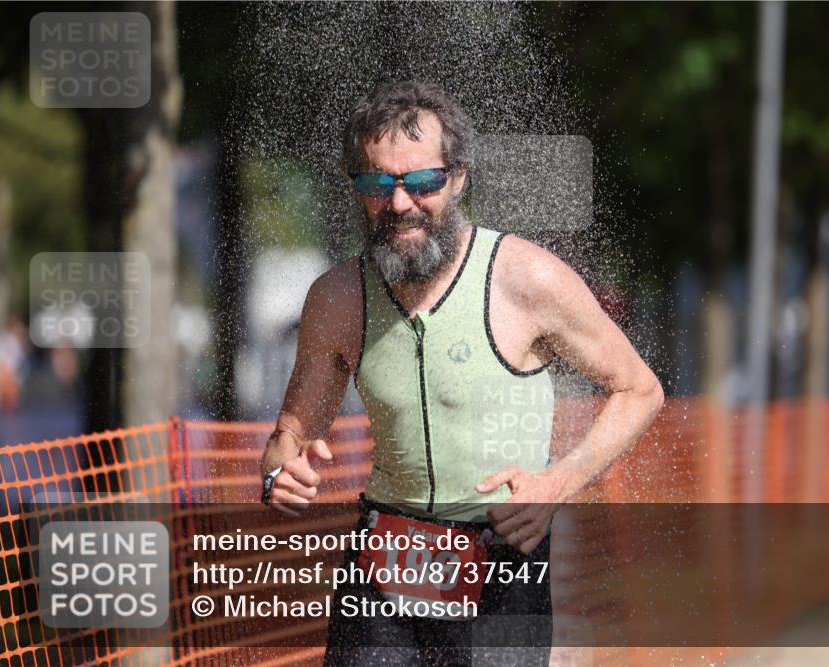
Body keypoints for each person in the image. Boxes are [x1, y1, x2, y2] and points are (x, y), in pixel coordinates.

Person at [259, 80, 663, 666]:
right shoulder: (338, 298)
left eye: (422, 181)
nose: (401, 204)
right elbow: (290, 438)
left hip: (502, 562)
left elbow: (639, 389)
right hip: (382, 564)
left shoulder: (527, 279)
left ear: (459, 178)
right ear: (355, 188)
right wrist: (279, 474)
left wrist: (559, 484)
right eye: (378, 184)